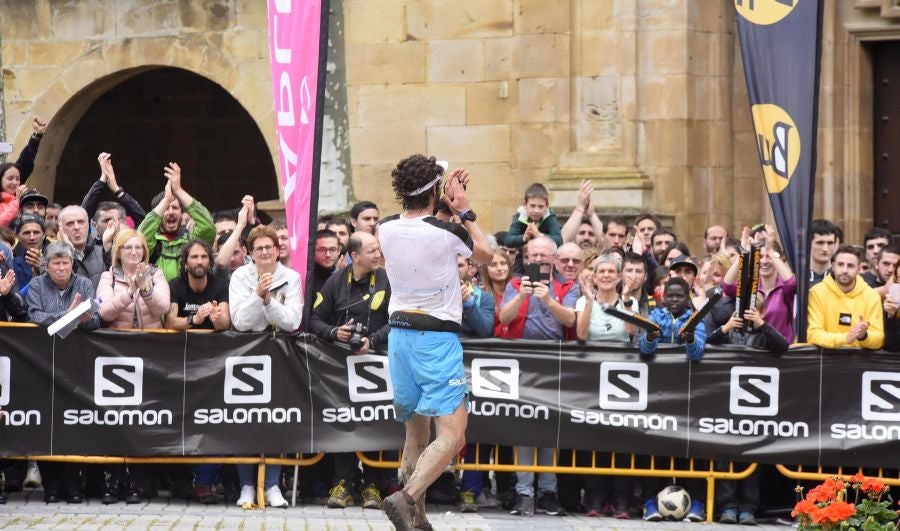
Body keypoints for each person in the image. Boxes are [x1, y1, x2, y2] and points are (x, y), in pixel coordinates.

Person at [377, 154, 491, 531]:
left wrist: (442, 200)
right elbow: (487, 254)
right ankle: (406, 498)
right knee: (454, 433)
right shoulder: (448, 233)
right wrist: (465, 210)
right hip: (435, 338)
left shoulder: (385, 227)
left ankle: (418, 519)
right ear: (436, 191)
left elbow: (421, 224)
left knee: (415, 430)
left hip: (399, 337)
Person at [309, 230, 393, 509]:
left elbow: (397, 319)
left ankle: (373, 486)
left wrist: (374, 339)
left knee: (375, 423)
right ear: (354, 256)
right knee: (344, 422)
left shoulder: (386, 279)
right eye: (372, 250)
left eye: (378, 249)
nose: (378, 254)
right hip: (340, 368)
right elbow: (313, 319)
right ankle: (343, 483)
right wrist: (334, 333)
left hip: (377, 367)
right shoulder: (336, 281)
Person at [498, 236, 576, 517]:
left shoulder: (567, 286)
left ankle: (548, 491)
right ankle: (524, 493)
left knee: (550, 430)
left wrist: (549, 300)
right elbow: (504, 318)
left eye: (545, 256)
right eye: (534, 256)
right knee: (524, 430)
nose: (539, 260)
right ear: (527, 258)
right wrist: (522, 296)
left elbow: (571, 320)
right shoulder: (516, 284)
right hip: (521, 365)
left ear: (554, 260)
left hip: (555, 366)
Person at [229, 225, 303, 509]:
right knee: (243, 420)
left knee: (277, 419)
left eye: (268, 248)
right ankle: (247, 484)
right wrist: (257, 295)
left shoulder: (291, 278)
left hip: (280, 354)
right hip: (246, 355)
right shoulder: (239, 276)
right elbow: (240, 321)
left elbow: (292, 321)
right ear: (250, 252)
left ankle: (272, 484)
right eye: (258, 248)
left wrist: (269, 300)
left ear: (277, 250)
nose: (264, 253)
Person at [25, 242, 98, 504]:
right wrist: (65, 315)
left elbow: (96, 320)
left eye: (66, 262)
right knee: (47, 423)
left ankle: (72, 485)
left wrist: (87, 319)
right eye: (56, 263)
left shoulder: (84, 284)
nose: (61, 267)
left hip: (76, 363)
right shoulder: (36, 285)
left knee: (73, 423)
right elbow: (33, 315)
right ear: (46, 265)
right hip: (42, 361)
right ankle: (51, 486)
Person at [137, 162, 215, 281]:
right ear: (158, 212)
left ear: (181, 213)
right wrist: (167, 199)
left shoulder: (192, 239)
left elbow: (208, 227)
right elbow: (140, 238)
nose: (171, 212)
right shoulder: (152, 242)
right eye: (166, 208)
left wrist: (178, 190)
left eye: (175, 207)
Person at [807, 245, 884, 349]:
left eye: (850, 266)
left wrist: (864, 336)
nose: (844, 270)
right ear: (833, 267)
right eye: (840, 265)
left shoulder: (871, 296)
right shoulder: (817, 292)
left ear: (859, 269)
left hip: (859, 362)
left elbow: (879, 339)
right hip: (825, 360)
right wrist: (845, 338)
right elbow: (813, 334)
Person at [97, 229, 170, 330]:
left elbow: (163, 309)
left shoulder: (156, 274)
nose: (134, 252)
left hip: (152, 341)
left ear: (144, 251)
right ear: (118, 252)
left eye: (138, 247)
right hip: (118, 343)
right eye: (128, 247)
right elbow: (104, 313)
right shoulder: (108, 277)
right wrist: (130, 292)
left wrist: (146, 290)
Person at [0, 117, 46, 228]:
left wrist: (37, 135)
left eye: (18, 179)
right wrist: (17, 202)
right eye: (10, 178)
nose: (15, 182)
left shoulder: (23, 199)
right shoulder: (17, 201)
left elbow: (25, 162)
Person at [81, 153, 147, 229]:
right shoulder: (89, 240)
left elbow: (145, 223)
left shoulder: (133, 240)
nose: (113, 224)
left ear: (125, 222)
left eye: (118, 219)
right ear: (95, 226)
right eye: (107, 220)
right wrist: (102, 180)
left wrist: (117, 190)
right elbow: (83, 216)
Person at [57, 205, 106, 289]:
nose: (76, 227)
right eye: (70, 223)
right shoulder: (49, 257)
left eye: (81, 222)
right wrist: (67, 252)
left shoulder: (104, 253)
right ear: (61, 229)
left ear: (88, 225)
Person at [560, 179, 603, 249]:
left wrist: (592, 215)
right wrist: (580, 208)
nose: (586, 238)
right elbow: (560, 242)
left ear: (597, 240)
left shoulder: (604, 258)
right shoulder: (566, 258)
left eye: (591, 234)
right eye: (582, 233)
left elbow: (608, 243)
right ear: (573, 238)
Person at [11, 214, 46, 292]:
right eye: (26, 233)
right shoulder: (11, 265)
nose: (32, 237)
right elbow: (16, 300)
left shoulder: (56, 259)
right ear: (17, 236)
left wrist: (42, 268)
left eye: (36, 232)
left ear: (43, 235)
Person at [809, 219, 841, 287]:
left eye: (830, 243)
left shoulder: (842, 277)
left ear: (835, 244)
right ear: (808, 244)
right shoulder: (798, 278)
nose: (825, 249)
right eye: (820, 243)